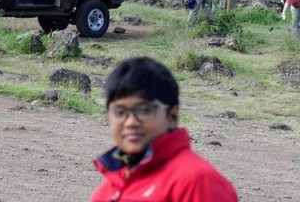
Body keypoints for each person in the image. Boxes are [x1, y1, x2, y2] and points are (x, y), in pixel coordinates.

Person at [91, 57, 238, 202]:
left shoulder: (198, 182)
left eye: (144, 110)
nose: (130, 122)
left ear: (172, 116)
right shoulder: (107, 190)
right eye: (120, 112)